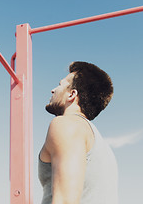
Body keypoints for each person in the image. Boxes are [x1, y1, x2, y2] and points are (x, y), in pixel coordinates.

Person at [38, 61, 118, 204]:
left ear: (72, 95)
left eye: (60, 84)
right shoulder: (101, 145)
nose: (53, 90)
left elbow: (65, 201)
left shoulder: (66, 125)